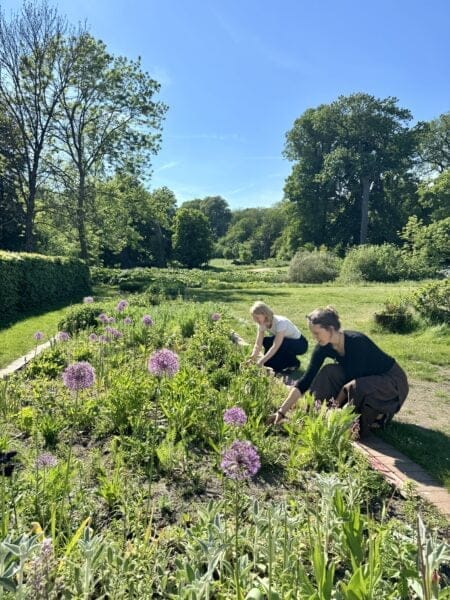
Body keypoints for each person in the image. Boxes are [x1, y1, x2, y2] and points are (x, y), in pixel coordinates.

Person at [270, 306, 409, 436]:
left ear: (330, 329)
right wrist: (281, 412)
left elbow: (353, 383)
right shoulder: (322, 348)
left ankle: (379, 415)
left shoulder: (357, 342)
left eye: (317, 333)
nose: (314, 337)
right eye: (312, 334)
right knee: (329, 371)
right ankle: (315, 413)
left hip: (390, 381)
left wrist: (334, 408)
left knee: (357, 388)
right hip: (362, 378)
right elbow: (305, 380)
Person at [247, 301, 308, 374]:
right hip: (285, 342)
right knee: (266, 341)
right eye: (254, 317)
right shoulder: (261, 324)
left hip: (300, 344)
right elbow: (258, 344)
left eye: (257, 317)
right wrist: (252, 358)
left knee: (276, 363)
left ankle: (294, 363)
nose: (255, 320)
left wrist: (261, 361)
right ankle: (278, 362)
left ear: (265, 314)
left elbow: (276, 346)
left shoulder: (281, 322)